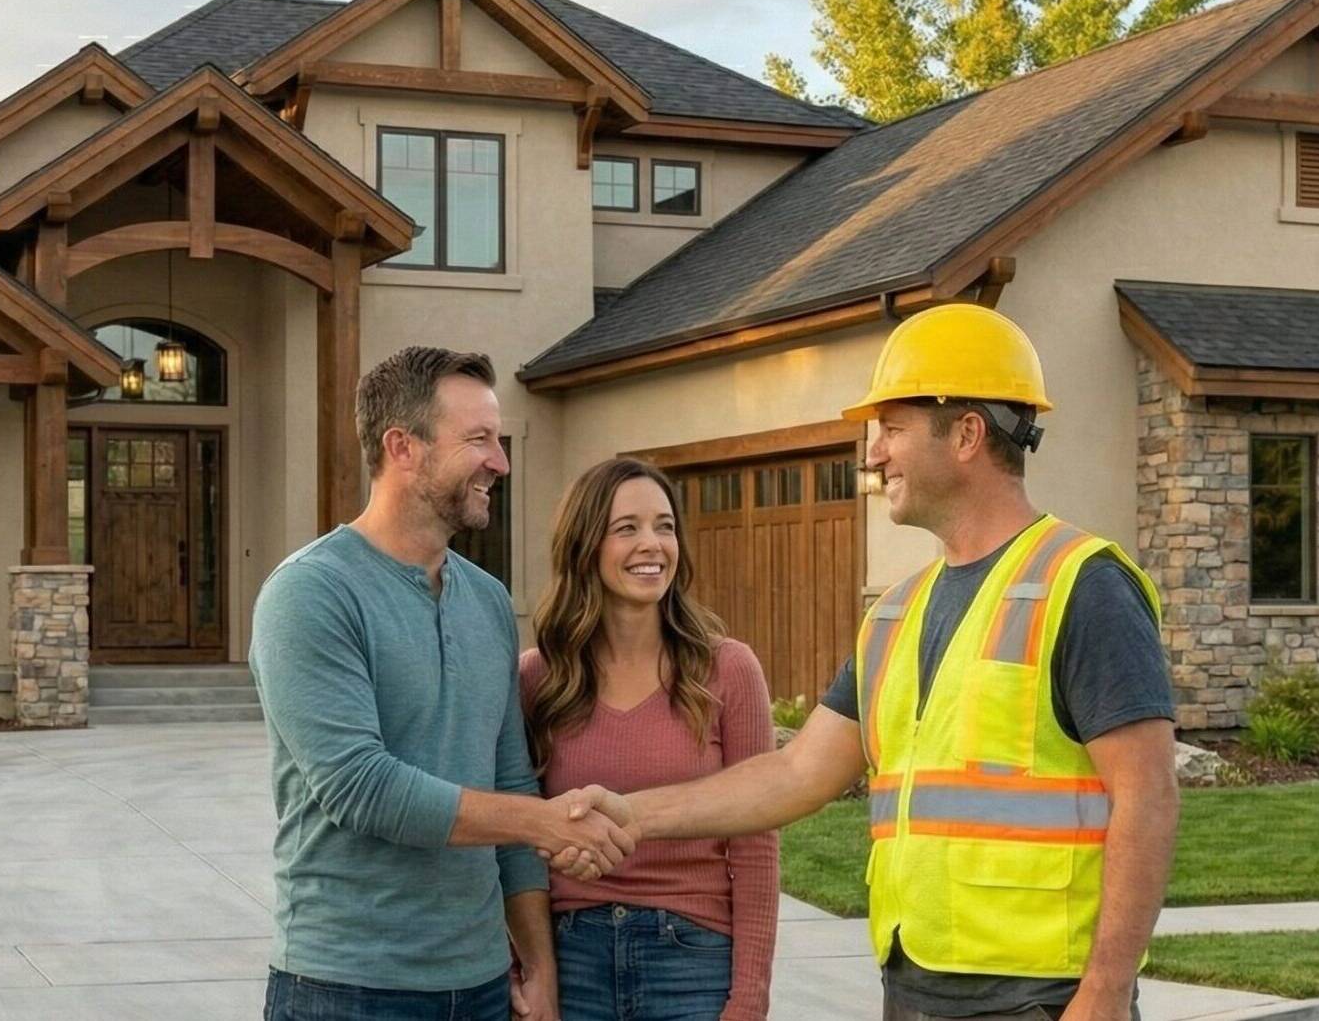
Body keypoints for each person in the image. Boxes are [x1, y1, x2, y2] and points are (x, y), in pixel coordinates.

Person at [561, 305, 1179, 1021]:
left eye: (891, 428)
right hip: (913, 983)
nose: (873, 454)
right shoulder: (896, 611)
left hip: (1042, 994)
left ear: (968, 434)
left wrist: (1103, 992)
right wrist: (628, 816)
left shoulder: (1083, 585)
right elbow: (795, 774)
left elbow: (1148, 797)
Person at [249, 346, 637, 1021]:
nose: (501, 461)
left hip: (483, 984)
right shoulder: (310, 594)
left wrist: (538, 966)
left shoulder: (485, 601)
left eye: (500, 439)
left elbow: (509, 777)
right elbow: (361, 788)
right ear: (404, 447)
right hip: (345, 988)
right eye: (479, 440)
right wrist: (546, 821)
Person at [520, 457, 778, 1021]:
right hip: (573, 959)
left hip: (692, 959)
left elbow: (757, 840)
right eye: (627, 528)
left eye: (665, 526)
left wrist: (750, 995)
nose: (653, 544)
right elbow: (516, 840)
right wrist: (529, 972)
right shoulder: (537, 679)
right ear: (585, 545)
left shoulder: (727, 670)